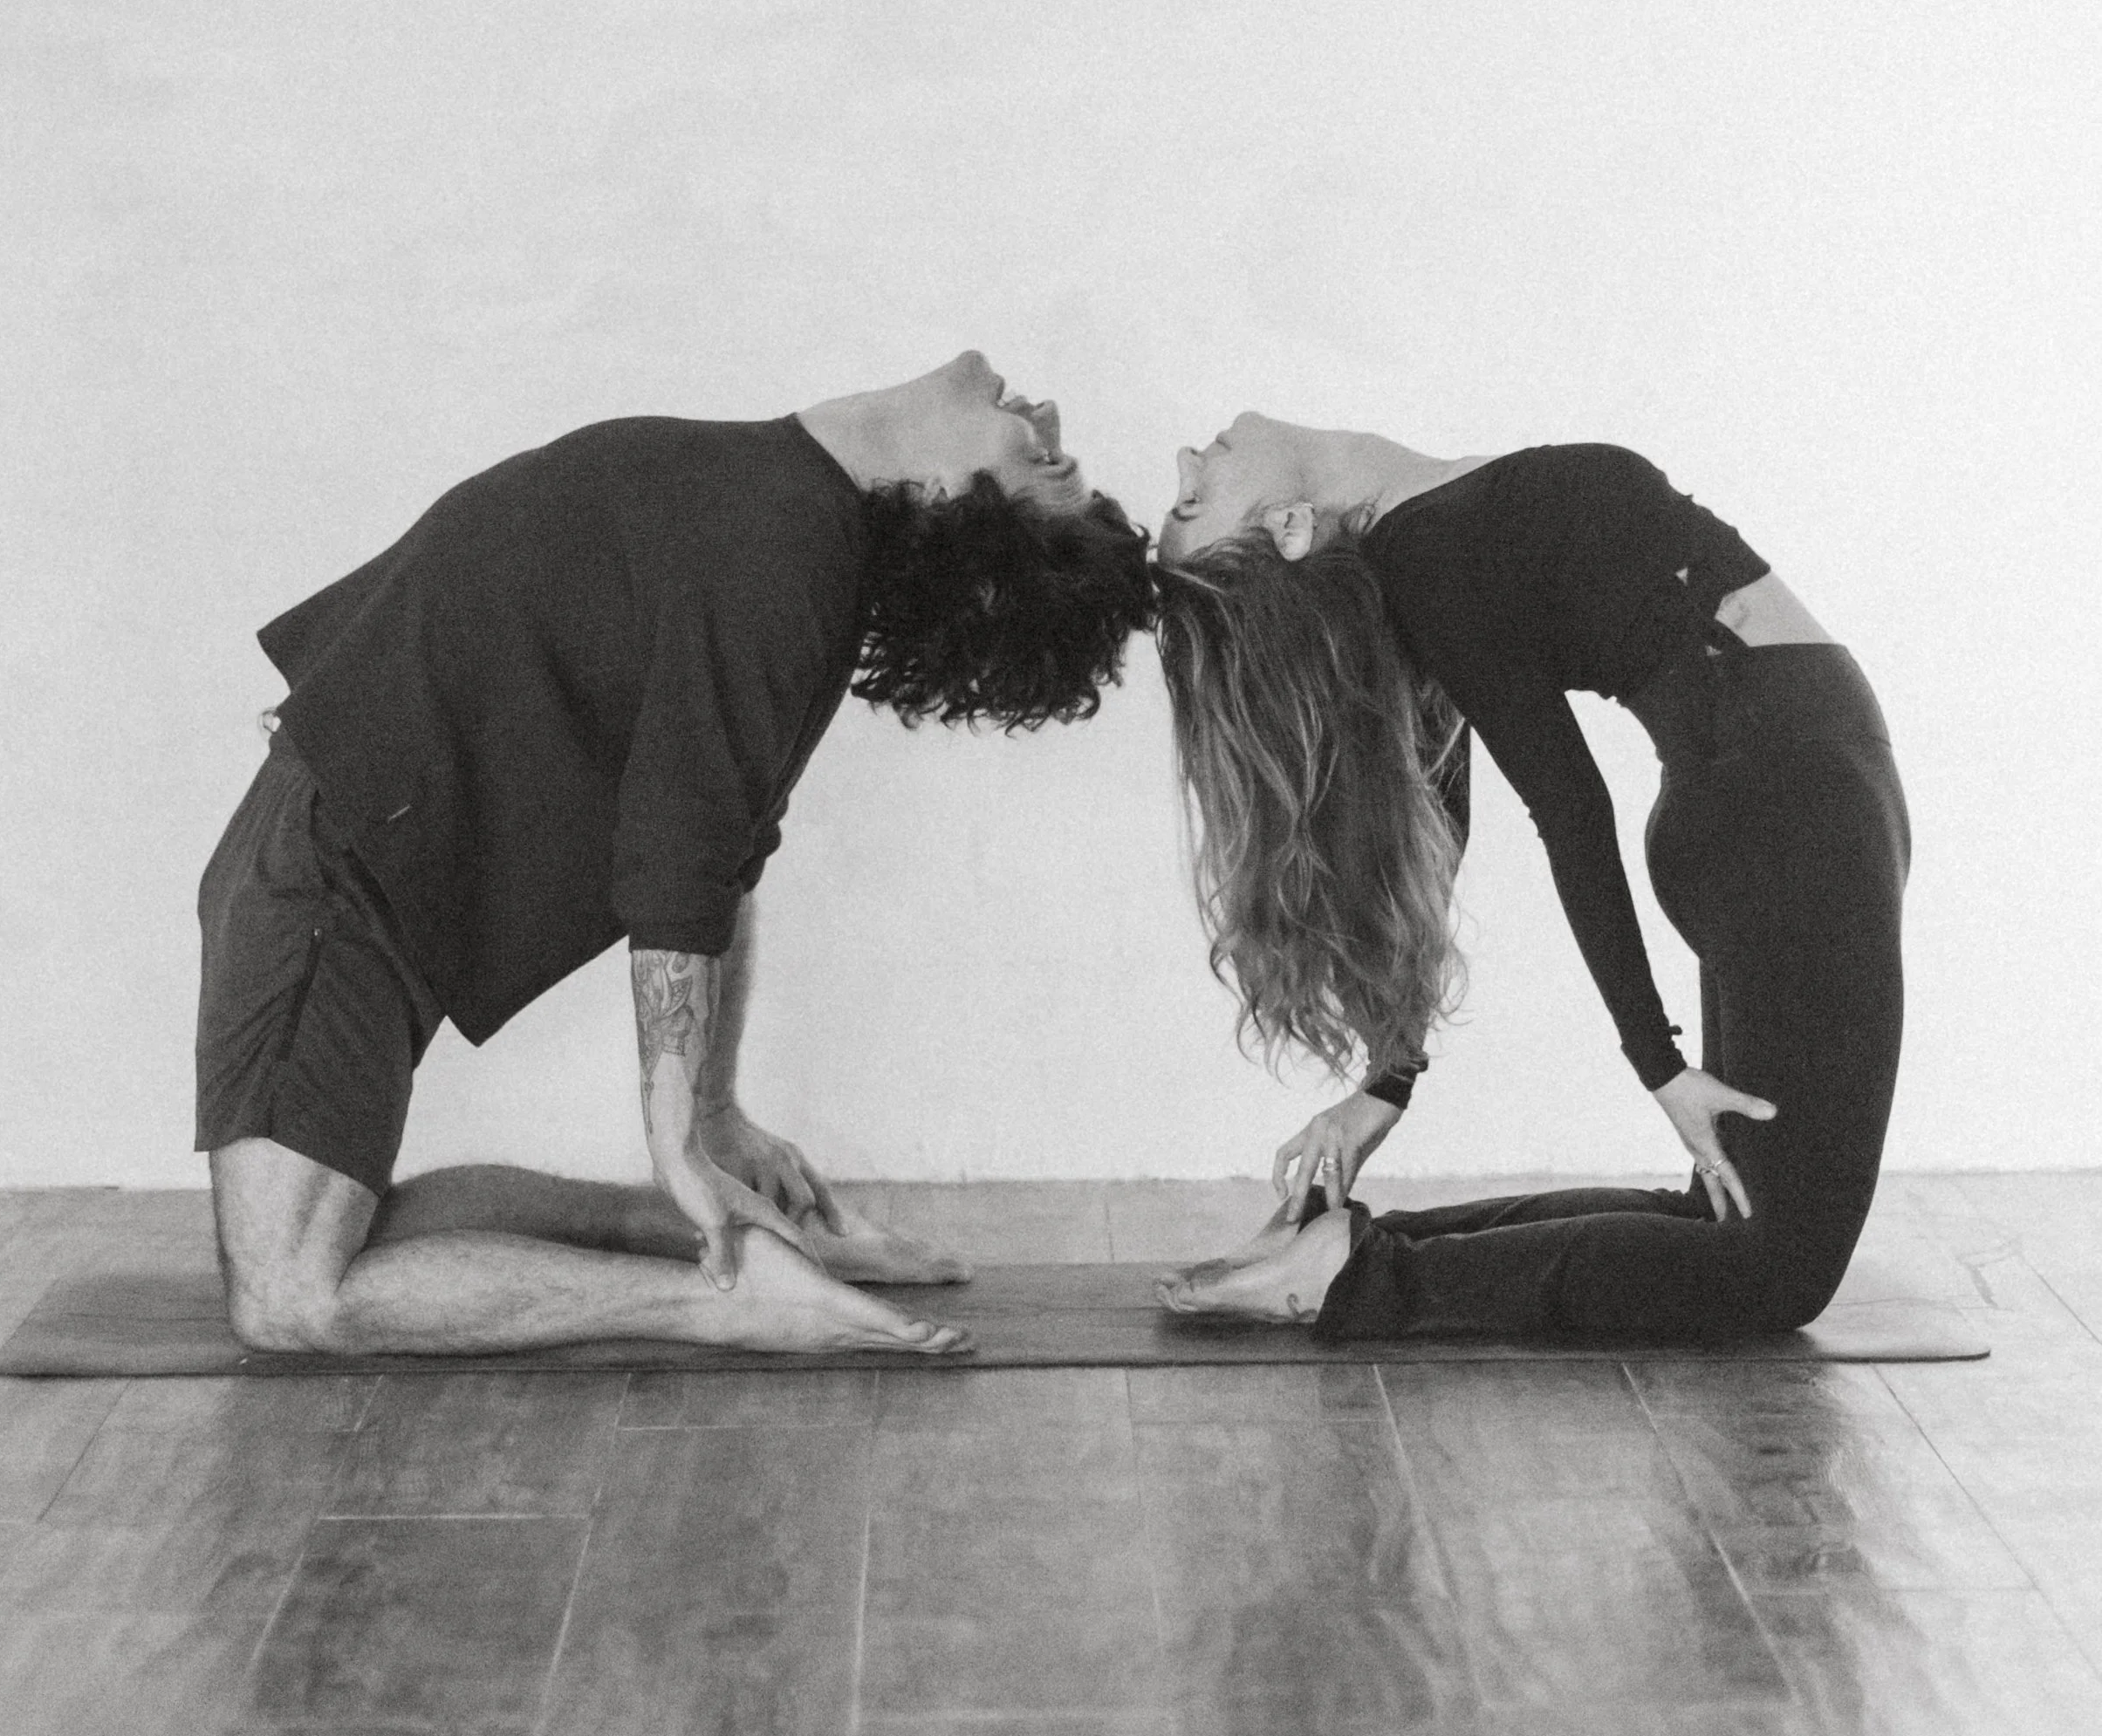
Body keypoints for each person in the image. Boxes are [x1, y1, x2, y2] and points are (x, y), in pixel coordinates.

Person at [200, 352, 1150, 1359]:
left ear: (958, 509)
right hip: (357, 857)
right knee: (333, 1234)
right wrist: (708, 1124)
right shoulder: (792, 526)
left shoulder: (789, 550)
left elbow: (700, 858)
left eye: (1046, 459)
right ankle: (709, 1237)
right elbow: (713, 856)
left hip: (336, 874)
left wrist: (692, 1133)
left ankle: (726, 1293)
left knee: (290, 1294)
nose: (1038, 409)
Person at [1147, 419, 1909, 1343]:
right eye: (1194, 498)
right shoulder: (1424, 551)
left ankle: (1359, 1247)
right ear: (1290, 528)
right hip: (1790, 817)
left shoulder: (1421, 540)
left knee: (1735, 1225)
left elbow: (1443, 819)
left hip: (1771, 815)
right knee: (1777, 1270)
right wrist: (1656, 1063)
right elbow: (1570, 811)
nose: (1191, 459)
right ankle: (1352, 1277)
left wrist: (1387, 1084)